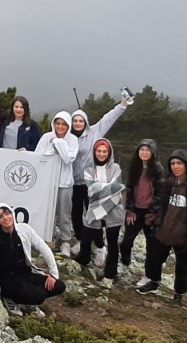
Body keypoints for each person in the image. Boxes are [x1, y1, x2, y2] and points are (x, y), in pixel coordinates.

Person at [137, 149, 187, 303]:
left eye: (179, 163)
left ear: (186, 165)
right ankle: (154, 282)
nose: (175, 166)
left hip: (183, 233)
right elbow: (161, 203)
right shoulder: (168, 182)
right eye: (172, 163)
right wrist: (157, 222)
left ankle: (179, 293)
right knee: (154, 258)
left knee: (182, 266)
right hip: (165, 229)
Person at [69, 99, 129, 260]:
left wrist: (122, 105)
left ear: (86, 122)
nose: (78, 123)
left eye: (81, 120)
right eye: (75, 120)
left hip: (93, 182)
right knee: (76, 213)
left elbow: (108, 118)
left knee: (95, 213)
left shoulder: (95, 131)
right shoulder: (69, 138)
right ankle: (82, 240)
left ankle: (100, 245)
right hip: (74, 182)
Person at [0, 203, 66, 317]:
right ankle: (9, 298)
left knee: (59, 286)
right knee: (39, 295)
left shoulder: (25, 230)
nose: (5, 218)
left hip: (26, 274)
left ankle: (26, 301)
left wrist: (53, 274)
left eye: (7, 213)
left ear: (12, 214)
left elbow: (44, 249)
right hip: (5, 279)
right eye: (0, 216)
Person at [73, 139, 125, 288]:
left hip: (114, 210)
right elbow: (91, 189)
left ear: (109, 153)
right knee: (87, 235)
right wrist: (110, 188)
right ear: (95, 153)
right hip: (95, 208)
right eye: (99, 151)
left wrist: (103, 189)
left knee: (112, 243)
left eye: (105, 151)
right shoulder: (89, 170)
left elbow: (117, 188)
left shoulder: (115, 167)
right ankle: (84, 258)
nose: (102, 154)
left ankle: (110, 274)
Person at [35, 111, 79, 257]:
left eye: (64, 124)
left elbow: (68, 158)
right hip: (48, 182)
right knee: (47, 214)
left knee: (64, 214)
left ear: (68, 126)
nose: (60, 127)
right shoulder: (46, 137)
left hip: (64, 183)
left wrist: (57, 143)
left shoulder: (72, 139)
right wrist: (53, 145)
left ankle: (66, 241)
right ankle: (48, 241)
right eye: (57, 123)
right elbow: (40, 155)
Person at [119, 139, 164, 283]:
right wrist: (130, 209)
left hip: (150, 213)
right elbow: (129, 189)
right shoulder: (134, 167)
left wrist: (153, 212)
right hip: (135, 211)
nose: (144, 153)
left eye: (147, 150)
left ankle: (149, 275)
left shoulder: (158, 171)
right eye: (141, 150)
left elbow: (159, 194)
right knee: (126, 241)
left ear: (153, 152)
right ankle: (124, 263)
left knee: (151, 247)